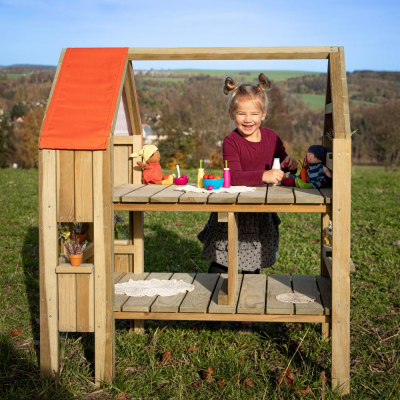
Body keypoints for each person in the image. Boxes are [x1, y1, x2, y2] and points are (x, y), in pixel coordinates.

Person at [198, 74, 298, 274]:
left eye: (254, 114)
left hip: (260, 210)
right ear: (231, 113)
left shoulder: (272, 138)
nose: (248, 119)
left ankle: (247, 302)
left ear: (263, 114)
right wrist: (263, 175)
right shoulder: (231, 141)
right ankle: (215, 297)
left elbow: (280, 165)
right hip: (234, 209)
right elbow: (233, 176)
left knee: (252, 264)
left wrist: (289, 164)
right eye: (241, 113)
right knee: (222, 262)